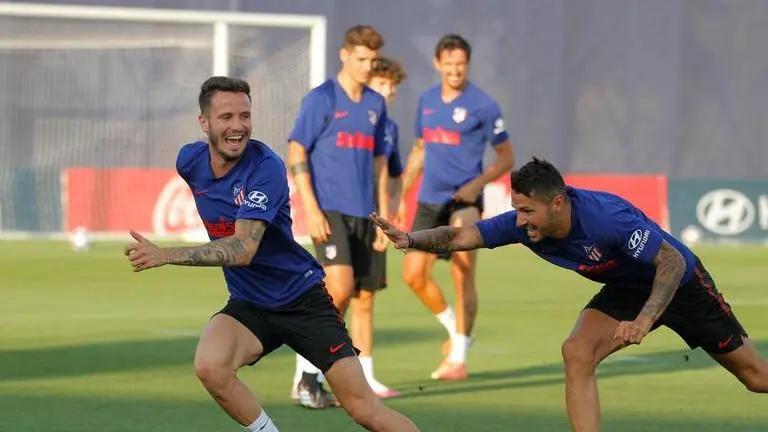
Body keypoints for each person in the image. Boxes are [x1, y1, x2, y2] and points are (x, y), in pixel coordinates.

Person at [372, 157, 768, 432]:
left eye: (527, 211)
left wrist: (645, 320)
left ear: (557, 203)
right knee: (577, 352)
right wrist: (410, 239)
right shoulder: (523, 227)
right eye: (516, 209)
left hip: (681, 285)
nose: (519, 220)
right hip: (628, 289)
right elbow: (460, 236)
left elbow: (671, 262)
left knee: (755, 377)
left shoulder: (606, 219)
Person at [123, 76, 420, 432]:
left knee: (365, 411)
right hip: (250, 303)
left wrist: (166, 254)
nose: (238, 126)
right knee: (211, 367)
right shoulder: (189, 161)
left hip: (302, 300)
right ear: (204, 123)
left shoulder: (266, 168)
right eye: (226, 117)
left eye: (245, 116)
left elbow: (243, 248)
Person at [397, 33, 515, 380]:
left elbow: (506, 157)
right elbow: (419, 149)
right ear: (438, 64)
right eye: (449, 64)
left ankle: (459, 357)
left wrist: (477, 185)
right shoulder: (427, 100)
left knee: (462, 271)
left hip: (465, 201)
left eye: (460, 64)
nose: (455, 70)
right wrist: (400, 193)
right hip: (429, 200)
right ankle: (455, 330)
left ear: (468, 64)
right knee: (413, 276)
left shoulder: (484, 105)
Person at [286, 25, 392, 408]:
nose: (367, 66)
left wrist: (383, 217)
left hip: (364, 213)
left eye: (372, 60)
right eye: (361, 58)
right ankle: (306, 378)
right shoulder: (322, 99)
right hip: (329, 210)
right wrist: (311, 208)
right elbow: (296, 151)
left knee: (351, 299)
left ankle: (310, 377)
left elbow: (379, 163)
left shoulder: (376, 104)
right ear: (344, 55)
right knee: (339, 288)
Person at [344, 55, 408, 399]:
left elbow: (394, 176)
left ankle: (366, 377)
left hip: (373, 219)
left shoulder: (390, 128)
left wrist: (391, 213)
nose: (389, 91)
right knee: (336, 295)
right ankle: (310, 371)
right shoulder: (347, 119)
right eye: (383, 84)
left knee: (365, 299)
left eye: (393, 87)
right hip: (343, 216)